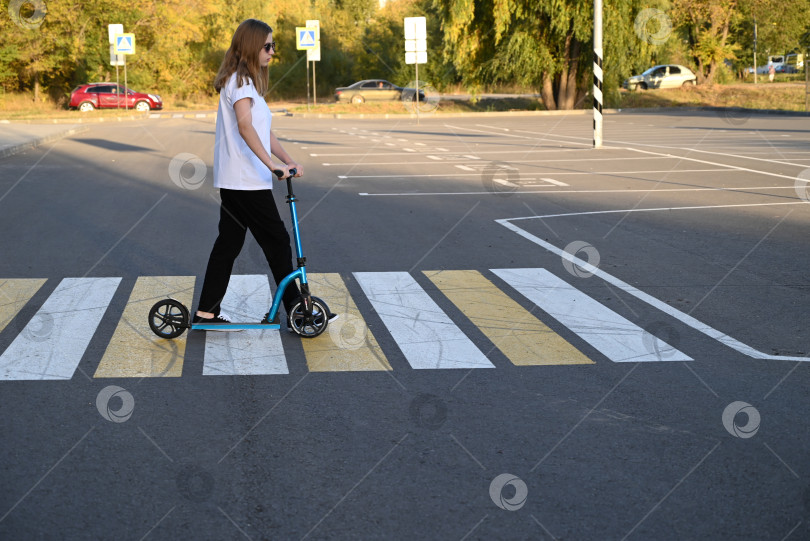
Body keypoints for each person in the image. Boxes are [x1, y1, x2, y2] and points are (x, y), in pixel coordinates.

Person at [194, 19, 333, 330]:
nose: (273, 52)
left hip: (240, 180)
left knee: (228, 244)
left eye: (273, 46)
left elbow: (263, 131)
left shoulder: (246, 83)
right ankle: (299, 309)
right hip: (245, 181)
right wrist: (272, 166)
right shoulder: (240, 83)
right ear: (251, 46)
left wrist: (288, 160)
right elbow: (245, 128)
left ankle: (206, 311)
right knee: (277, 241)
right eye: (268, 46)